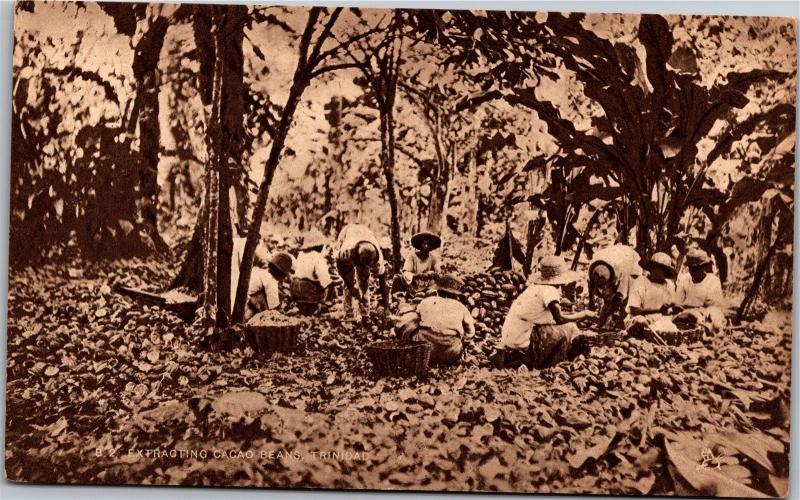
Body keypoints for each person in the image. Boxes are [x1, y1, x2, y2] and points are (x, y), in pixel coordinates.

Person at [493, 255, 596, 370]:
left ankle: (517, 357)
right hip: (522, 336)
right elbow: (559, 319)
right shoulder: (549, 290)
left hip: (511, 332)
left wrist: (573, 313)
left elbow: (548, 315)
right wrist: (584, 314)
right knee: (569, 329)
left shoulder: (535, 287)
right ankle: (552, 363)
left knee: (564, 326)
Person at [413, 274, 475, 365]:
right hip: (449, 353)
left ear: (438, 291)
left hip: (424, 351)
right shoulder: (461, 307)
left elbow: (416, 318)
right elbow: (470, 333)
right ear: (456, 295)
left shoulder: (426, 301)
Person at [229, 237, 294, 320]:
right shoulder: (270, 280)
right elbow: (274, 307)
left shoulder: (259, 271)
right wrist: (284, 315)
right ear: (281, 274)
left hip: (235, 305)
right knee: (268, 299)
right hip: (244, 310)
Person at [334, 223, 389, 321]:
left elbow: (383, 279)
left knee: (364, 280)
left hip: (366, 233)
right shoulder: (346, 251)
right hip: (347, 232)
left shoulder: (378, 257)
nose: (363, 268)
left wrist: (386, 305)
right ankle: (348, 312)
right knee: (348, 280)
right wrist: (351, 288)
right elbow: (342, 271)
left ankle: (364, 311)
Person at [588, 244, 643, 328]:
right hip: (614, 255)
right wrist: (591, 305)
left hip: (630, 261)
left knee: (626, 301)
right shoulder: (593, 270)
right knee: (608, 301)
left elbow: (619, 298)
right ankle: (607, 320)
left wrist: (604, 316)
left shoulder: (624, 274)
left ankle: (621, 323)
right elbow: (592, 291)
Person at [674, 248, 727, 332]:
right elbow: (678, 302)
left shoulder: (713, 281)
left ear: (703, 268)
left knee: (714, 320)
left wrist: (696, 312)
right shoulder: (685, 279)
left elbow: (714, 306)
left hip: (705, 314)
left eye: (695, 268)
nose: (692, 271)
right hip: (686, 314)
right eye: (690, 268)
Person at [625, 252, 678, 333]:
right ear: (651, 268)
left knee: (672, 325)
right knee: (640, 322)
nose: (658, 272)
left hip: (660, 322)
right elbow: (634, 310)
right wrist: (657, 310)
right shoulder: (641, 282)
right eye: (655, 268)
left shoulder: (669, 286)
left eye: (663, 269)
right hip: (641, 319)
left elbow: (670, 310)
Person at [291, 228, 333, 314]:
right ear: (318, 246)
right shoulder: (317, 256)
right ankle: (321, 305)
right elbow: (325, 280)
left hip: (295, 289)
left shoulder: (301, 255)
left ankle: (300, 306)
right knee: (330, 286)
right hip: (308, 291)